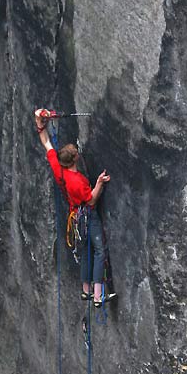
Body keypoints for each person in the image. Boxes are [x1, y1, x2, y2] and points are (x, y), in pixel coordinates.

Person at [35, 109, 112, 306]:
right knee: (99, 251)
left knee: (86, 251)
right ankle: (97, 295)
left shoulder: (57, 166)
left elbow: (45, 142)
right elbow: (92, 200)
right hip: (87, 215)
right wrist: (100, 183)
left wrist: (39, 120)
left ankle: (86, 290)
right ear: (74, 159)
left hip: (74, 216)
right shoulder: (77, 181)